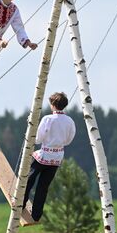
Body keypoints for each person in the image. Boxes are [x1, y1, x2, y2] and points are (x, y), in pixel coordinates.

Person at [23, 92, 76, 221]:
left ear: (53, 105)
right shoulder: (70, 121)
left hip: (44, 154)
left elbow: (38, 139)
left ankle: (21, 203)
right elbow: (69, 140)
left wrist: (30, 128)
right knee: (43, 187)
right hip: (57, 157)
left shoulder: (47, 119)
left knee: (29, 179)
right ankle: (36, 214)